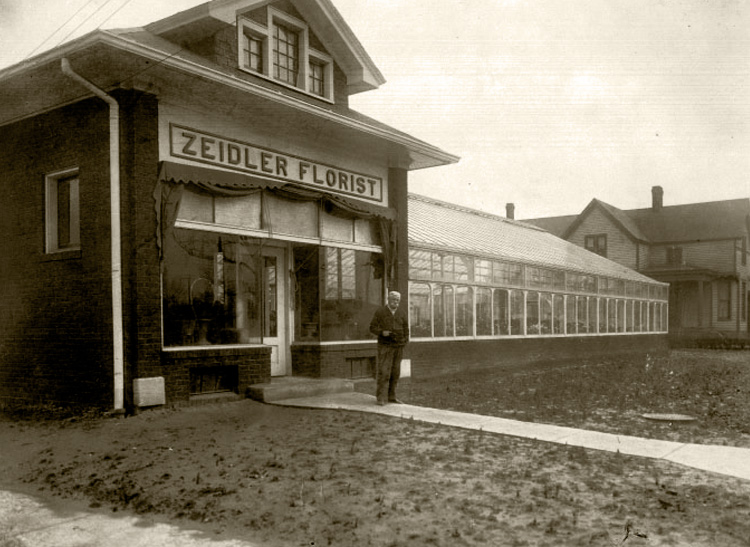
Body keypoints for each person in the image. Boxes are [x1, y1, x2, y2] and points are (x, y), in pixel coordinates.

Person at [369, 290, 409, 406]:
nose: (395, 302)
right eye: (393, 299)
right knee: (384, 371)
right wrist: (382, 333)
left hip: (398, 346)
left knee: (395, 372)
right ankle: (380, 397)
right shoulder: (380, 312)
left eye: (397, 300)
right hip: (385, 347)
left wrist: (405, 340)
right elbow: (372, 327)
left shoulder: (402, 312)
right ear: (388, 299)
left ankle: (392, 396)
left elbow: (406, 328)